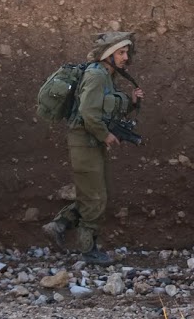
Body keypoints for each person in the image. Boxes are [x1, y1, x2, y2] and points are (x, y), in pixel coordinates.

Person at [42, 32, 143, 265]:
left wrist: (131, 102)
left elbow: (105, 110)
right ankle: (88, 250)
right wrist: (104, 134)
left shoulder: (106, 77)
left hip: (91, 143)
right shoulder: (96, 76)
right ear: (107, 55)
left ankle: (59, 225)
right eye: (121, 53)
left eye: (126, 52)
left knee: (97, 193)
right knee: (95, 197)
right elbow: (88, 113)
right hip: (84, 142)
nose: (125, 57)